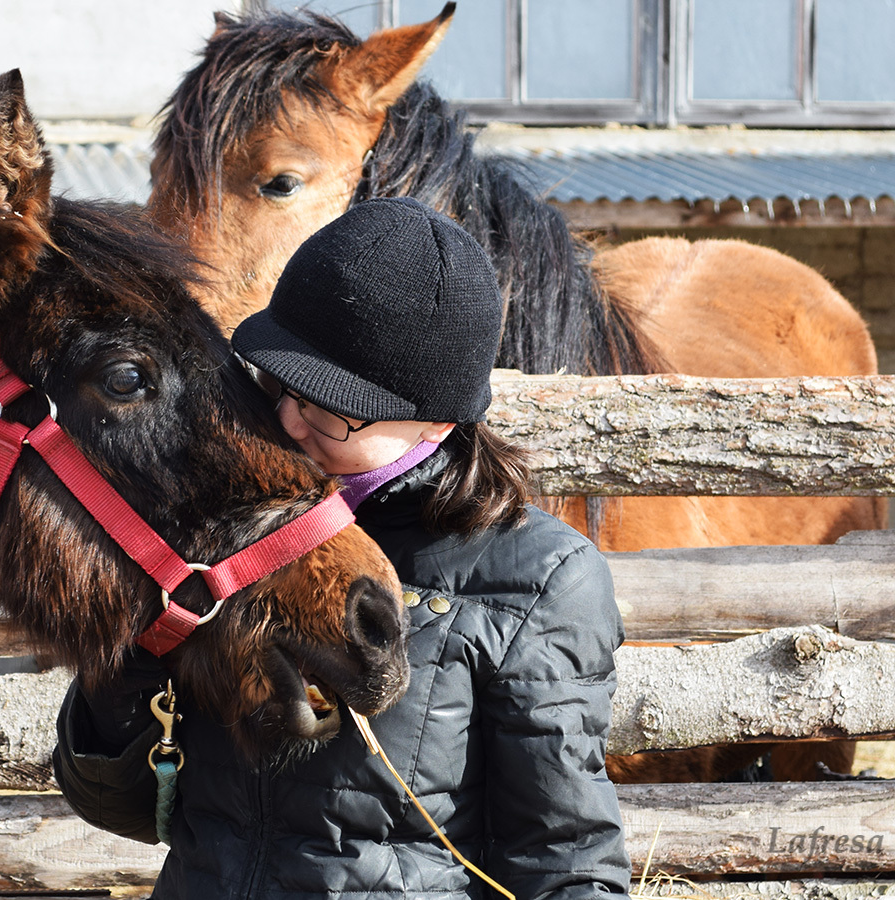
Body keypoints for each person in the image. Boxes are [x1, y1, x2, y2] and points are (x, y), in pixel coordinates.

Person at [53, 197, 631, 900]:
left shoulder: (537, 578)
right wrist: (127, 671)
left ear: (437, 419)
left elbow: (563, 856)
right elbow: (126, 807)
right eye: (278, 385)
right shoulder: (222, 525)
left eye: (331, 406)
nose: (291, 420)